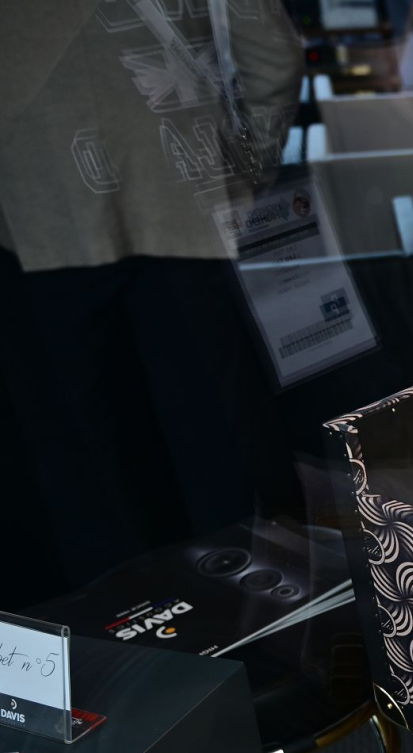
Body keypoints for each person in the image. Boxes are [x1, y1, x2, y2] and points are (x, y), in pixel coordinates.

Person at [0, 0, 304, 599]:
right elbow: (272, 52)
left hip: (36, 214)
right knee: (225, 454)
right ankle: (270, 626)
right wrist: (246, 170)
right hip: (182, 197)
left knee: (87, 480)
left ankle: (130, 639)